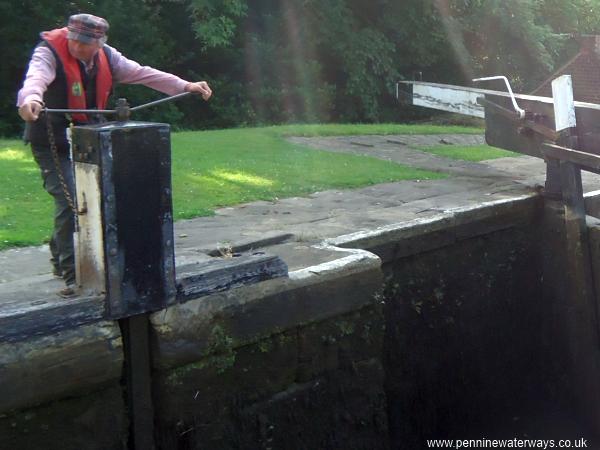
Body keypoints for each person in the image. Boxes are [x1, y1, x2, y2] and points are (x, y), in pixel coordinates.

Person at [17, 13, 212, 297]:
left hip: (90, 139)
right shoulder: (48, 52)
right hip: (52, 141)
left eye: (86, 43)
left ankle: (61, 255)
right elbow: (35, 79)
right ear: (68, 36)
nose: (79, 47)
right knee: (72, 200)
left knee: (94, 199)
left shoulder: (109, 57)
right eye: (75, 41)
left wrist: (185, 86)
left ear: (100, 42)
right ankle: (72, 272)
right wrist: (31, 99)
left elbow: (144, 73)